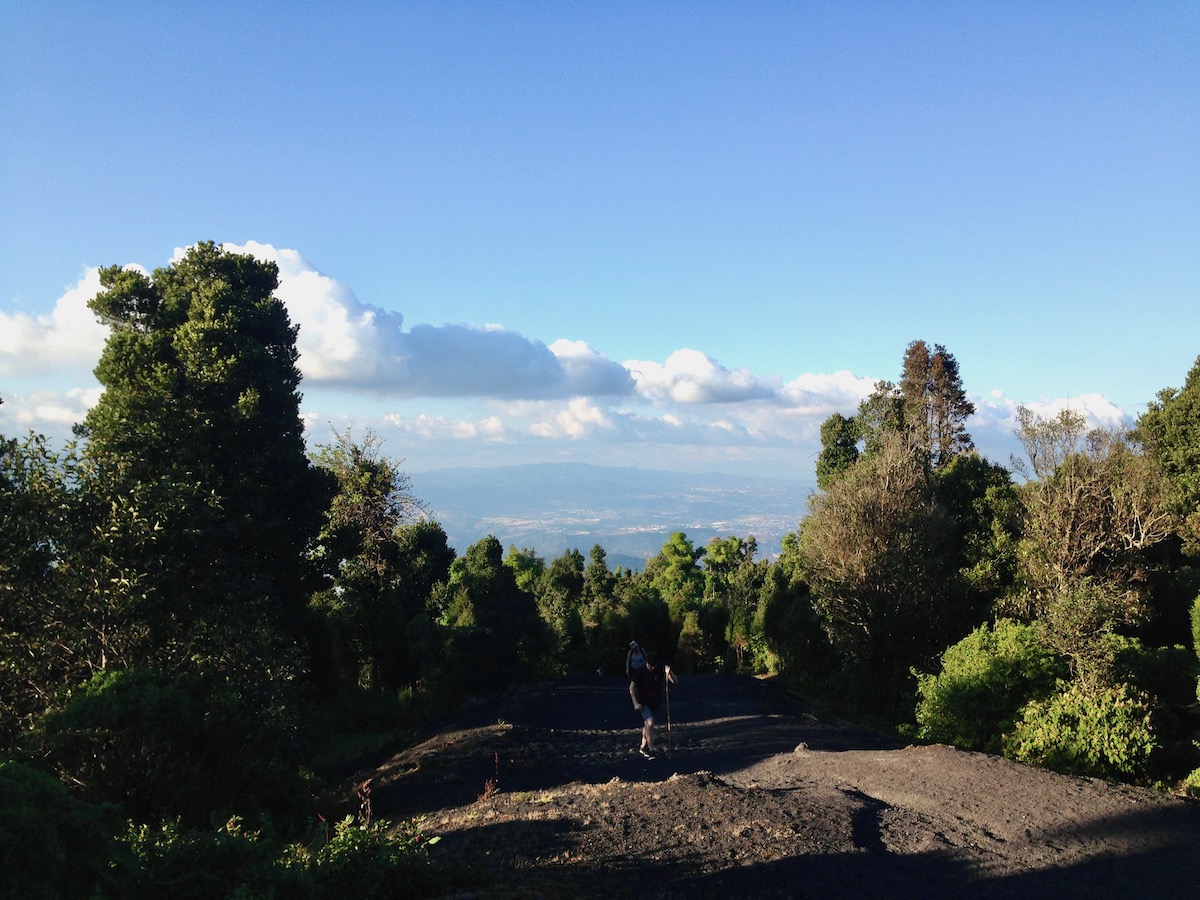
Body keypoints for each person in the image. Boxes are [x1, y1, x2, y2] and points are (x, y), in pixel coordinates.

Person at [629, 651, 676, 759]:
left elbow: (675, 681)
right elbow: (631, 687)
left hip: (655, 701)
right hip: (643, 702)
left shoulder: (659, 668)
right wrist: (635, 703)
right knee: (650, 723)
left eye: (654, 666)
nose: (653, 668)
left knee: (647, 724)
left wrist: (670, 673)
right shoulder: (640, 671)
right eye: (651, 666)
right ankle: (651, 750)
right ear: (647, 663)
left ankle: (643, 746)